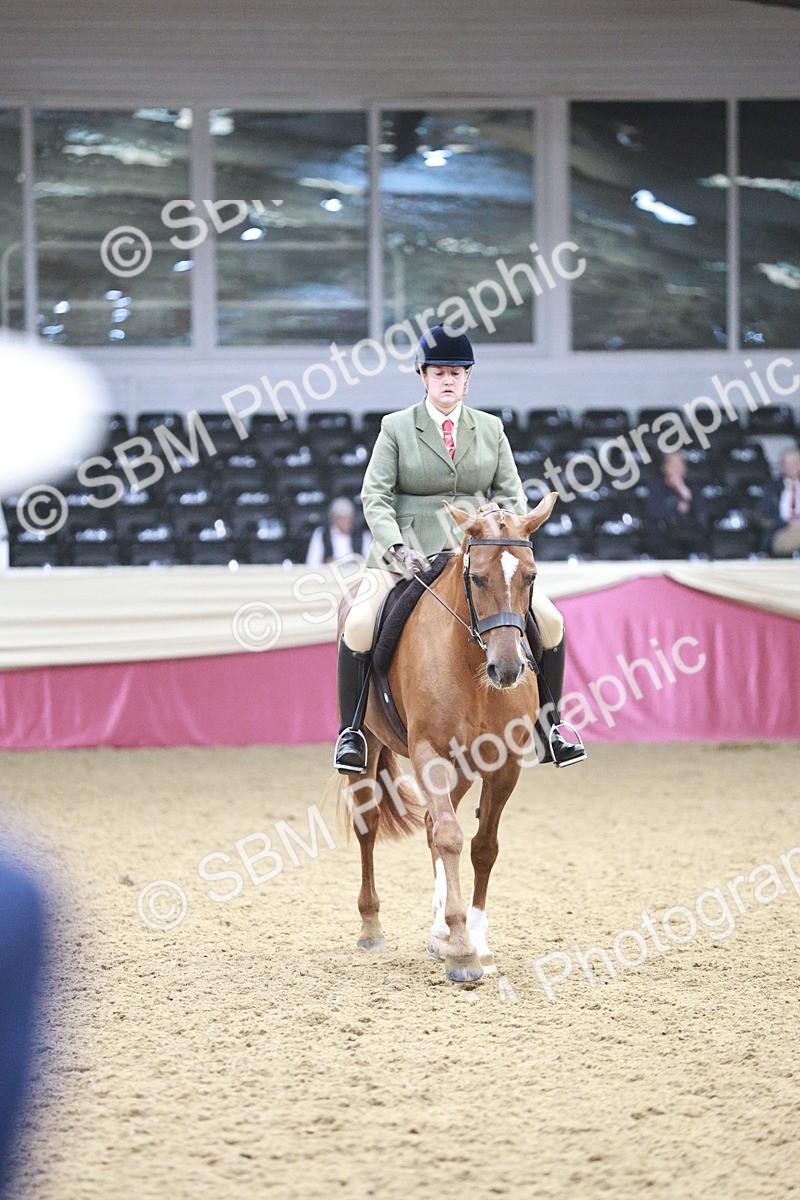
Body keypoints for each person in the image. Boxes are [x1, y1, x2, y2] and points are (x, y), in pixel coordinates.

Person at [333, 324, 586, 774]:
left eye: (456, 373)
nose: (447, 381)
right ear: (423, 377)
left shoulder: (490, 429)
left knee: (550, 620)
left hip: (479, 558)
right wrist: (395, 547)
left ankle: (552, 728)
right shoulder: (396, 428)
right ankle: (352, 732)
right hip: (407, 556)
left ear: (467, 379)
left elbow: (512, 495)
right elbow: (375, 496)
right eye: (439, 373)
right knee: (357, 623)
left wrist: (501, 528)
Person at [645, 450, 707, 558]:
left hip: (690, 538)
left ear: (685, 468)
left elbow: (700, 512)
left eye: (679, 464)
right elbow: (654, 512)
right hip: (664, 538)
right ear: (665, 467)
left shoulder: (694, 488)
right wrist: (676, 508)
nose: (676, 468)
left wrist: (685, 495)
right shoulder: (656, 488)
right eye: (672, 464)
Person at [757, 446, 800, 557]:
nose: (791, 466)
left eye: (794, 462)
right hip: (781, 532)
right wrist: (788, 522)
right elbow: (764, 517)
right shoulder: (771, 488)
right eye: (787, 463)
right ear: (782, 467)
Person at [305, 497, 371, 567]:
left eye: (349, 517)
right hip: (329, 574)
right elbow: (312, 563)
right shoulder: (321, 534)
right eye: (343, 518)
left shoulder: (363, 535)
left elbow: (370, 563)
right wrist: (326, 565)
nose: (347, 521)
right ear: (335, 519)